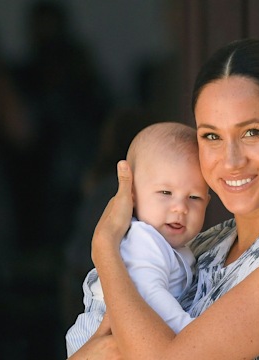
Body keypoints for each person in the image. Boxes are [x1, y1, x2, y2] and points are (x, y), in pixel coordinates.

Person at [70, 38, 259, 359]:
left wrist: (105, 250)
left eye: (252, 132)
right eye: (212, 136)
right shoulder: (207, 244)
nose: (231, 160)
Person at [65, 122, 210, 356]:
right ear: (131, 195)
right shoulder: (143, 240)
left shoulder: (177, 246)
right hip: (100, 336)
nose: (180, 208)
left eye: (194, 197)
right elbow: (151, 294)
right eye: (165, 193)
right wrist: (189, 332)